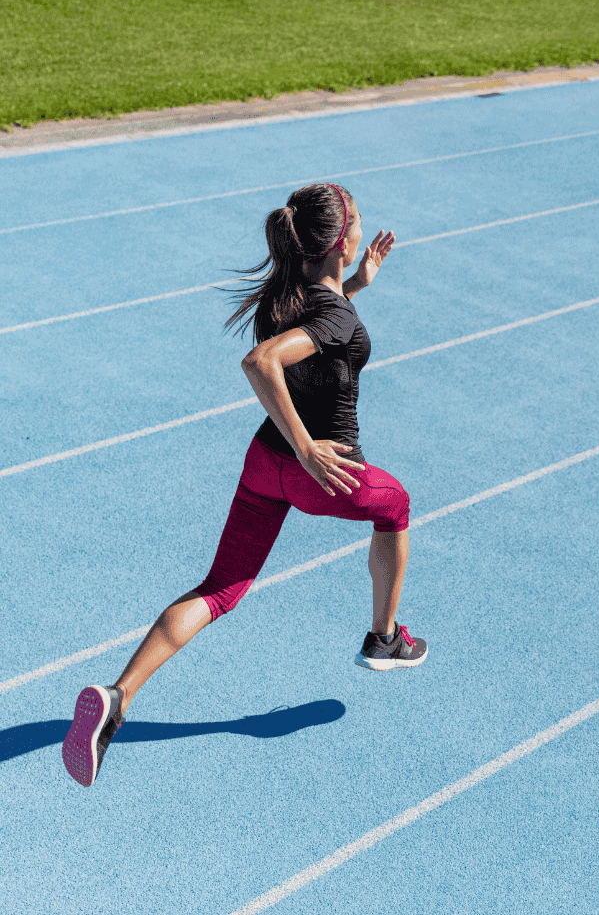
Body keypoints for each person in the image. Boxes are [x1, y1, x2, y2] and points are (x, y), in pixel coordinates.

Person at [62, 182, 425, 788]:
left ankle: (117, 697)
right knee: (397, 507)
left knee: (221, 587)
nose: (363, 225)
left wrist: (356, 283)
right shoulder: (329, 314)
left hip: (264, 464)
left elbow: (319, 331)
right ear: (341, 241)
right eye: (357, 219)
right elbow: (263, 362)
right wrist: (310, 449)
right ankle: (385, 638)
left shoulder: (292, 293)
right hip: (323, 475)